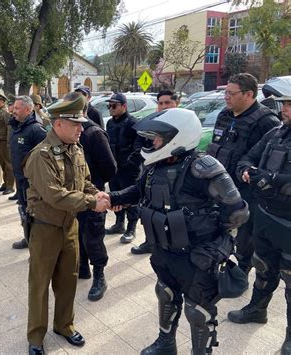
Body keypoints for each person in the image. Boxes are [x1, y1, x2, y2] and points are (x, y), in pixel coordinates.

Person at [107, 108, 249, 354]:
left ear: (178, 137)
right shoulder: (155, 166)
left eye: (159, 138)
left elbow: (237, 211)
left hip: (197, 255)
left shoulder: (203, 167)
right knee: (165, 294)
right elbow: (136, 191)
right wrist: (109, 198)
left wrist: (215, 239)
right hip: (164, 249)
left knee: (197, 310)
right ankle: (166, 343)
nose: (153, 143)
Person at [23, 94, 109, 355]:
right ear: (58, 125)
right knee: (40, 283)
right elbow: (55, 195)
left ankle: (64, 325)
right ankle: (36, 336)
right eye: (76, 124)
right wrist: (91, 203)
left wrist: (98, 194)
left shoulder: (76, 149)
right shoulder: (41, 155)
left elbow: (84, 182)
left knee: (68, 280)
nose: (82, 129)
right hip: (45, 228)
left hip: (69, 226)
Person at [227, 90, 291, 354]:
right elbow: (247, 156)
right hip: (264, 216)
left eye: (289, 105)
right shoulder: (276, 132)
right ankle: (257, 309)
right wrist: (246, 170)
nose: (284, 109)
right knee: (263, 268)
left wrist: (271, 179)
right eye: (285, 104)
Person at [207, 73, 280, 274]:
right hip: (220, 187)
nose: (226, 97)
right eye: (226, 93)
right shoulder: (224, 115)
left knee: (245, 237)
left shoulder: (267, 121)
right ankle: (216, 262)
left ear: (248, 94)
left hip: (247, 192)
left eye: (231, 93)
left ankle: (241, 271)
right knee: (217, 227)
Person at [73, 92, 117, 301]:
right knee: (77, 234)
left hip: (92, 195)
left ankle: (99, 275)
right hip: (74, 196)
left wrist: (95, 184)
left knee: (93, 238)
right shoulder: (68, 134)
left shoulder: (93, 134)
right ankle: (82, 268)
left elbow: (110, 168)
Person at [131, 89, 178, 255]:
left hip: (174, 174)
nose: (163, 106)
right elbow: (138, 142)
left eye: (167, 102)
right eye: (160, 103)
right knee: (148, 207)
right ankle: (149, 241)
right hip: (151, 169)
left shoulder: (183, 122)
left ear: (176, 103)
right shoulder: (151, 122)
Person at [9, 96, 46, 250]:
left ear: (28, 109)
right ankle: (28, 237)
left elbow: (45, 157)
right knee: (23, 209)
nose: (13, 111)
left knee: (34, 212)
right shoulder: (17, 126)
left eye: (17, 108)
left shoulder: (36, 130)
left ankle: (38, 243)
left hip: (31, 181)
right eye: (14, 108)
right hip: (20, 178)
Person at [105, 93, 142, 244]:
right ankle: (119, 224)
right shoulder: (110, 123)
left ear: (124, 106)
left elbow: (139, 147)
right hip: (115, 169)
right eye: (109, 106)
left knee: (131, 200)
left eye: (114, 106)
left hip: (129, 170)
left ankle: (131, 228)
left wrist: (130, 163)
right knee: (116, 197)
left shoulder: (133, 123)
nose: (111, 109)